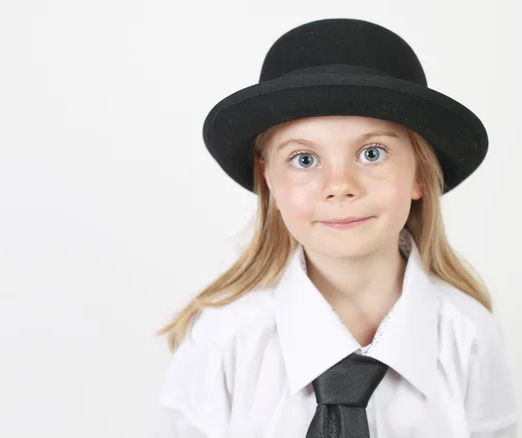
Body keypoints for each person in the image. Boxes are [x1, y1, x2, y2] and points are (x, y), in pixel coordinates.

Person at [154, 18, 519, 437]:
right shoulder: (222, 341)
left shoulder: (469, 338)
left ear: (420, 173)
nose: (340, 186)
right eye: (305, 159)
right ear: (268, 177)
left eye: (372, 152)